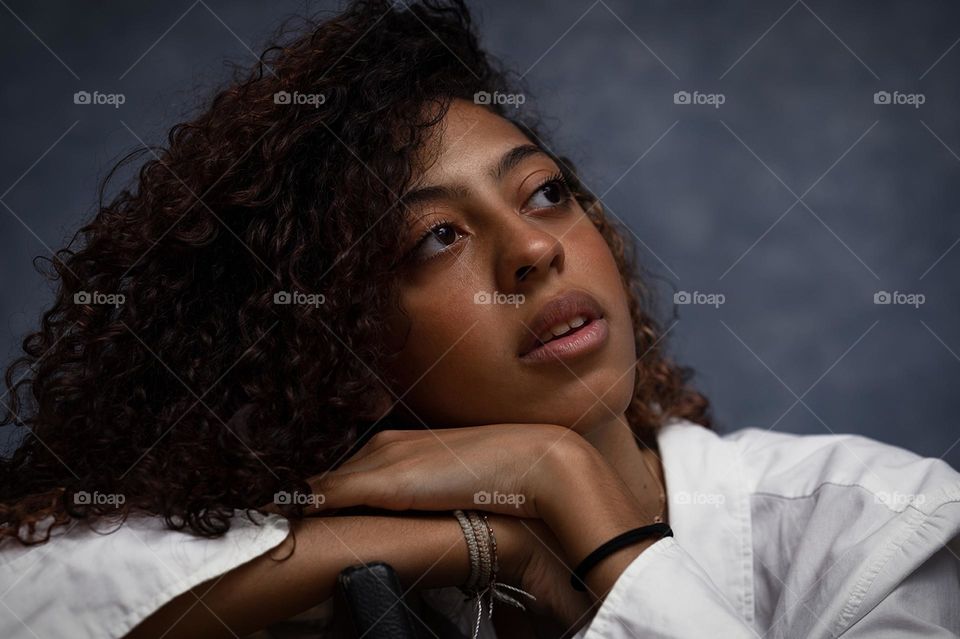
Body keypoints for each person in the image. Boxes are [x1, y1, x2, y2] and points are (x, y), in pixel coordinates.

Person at [1, 1, 958, 638]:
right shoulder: (380, 553)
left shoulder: (880, 522)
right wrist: (472, 541)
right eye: (437, 237)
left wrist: (572, 493)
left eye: (545, 193)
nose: (535, 250)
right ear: (344, 346)